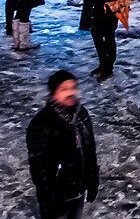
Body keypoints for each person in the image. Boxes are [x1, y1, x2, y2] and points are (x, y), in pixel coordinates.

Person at [26, 70, 99, 219]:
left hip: (79, 189)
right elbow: (39, 168)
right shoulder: (42, 123)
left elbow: (90, 150)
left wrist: (93, 181)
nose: (70, 93)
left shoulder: (81, 114)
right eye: (64, 89)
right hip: (57, 196)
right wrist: (49, 198)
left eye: (73, 87)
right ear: (54, 93)